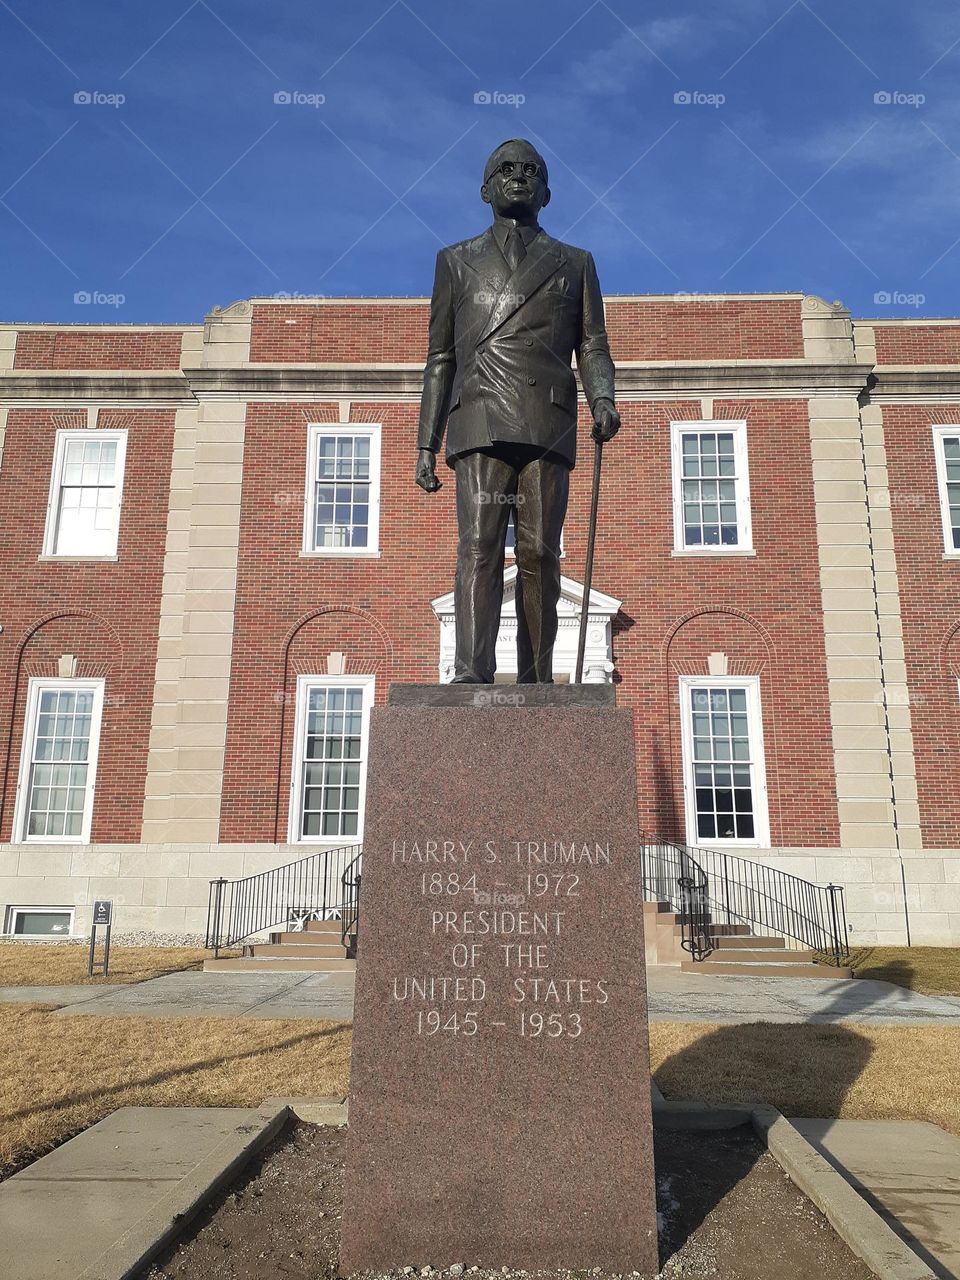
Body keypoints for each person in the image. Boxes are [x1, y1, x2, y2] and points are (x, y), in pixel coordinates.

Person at [415, 138, 619, 683]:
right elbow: (440, 357)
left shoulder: (575, 263)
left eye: (531, 170)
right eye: (506, 168)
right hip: (479, 418)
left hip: (546, 421)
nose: (519, 175)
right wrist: (425, 443)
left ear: (547, 191)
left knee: (539, 552)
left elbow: (593, 344)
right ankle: (471, 672)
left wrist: (602, 397)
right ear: (485, 188)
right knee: (479, 546)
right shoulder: (455, 262)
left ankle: (535, 677)